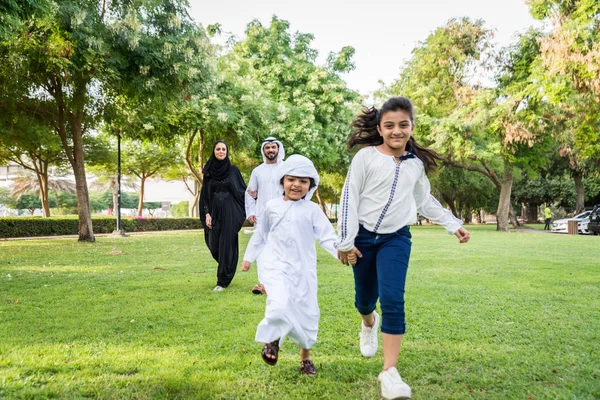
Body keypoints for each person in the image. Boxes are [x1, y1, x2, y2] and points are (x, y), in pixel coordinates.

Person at [336, 97, 471, 400]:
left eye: (403, 125)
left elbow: (424, 201)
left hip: (397, 239)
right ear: (380, 129)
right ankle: (368, 322)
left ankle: (390, 372)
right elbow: (349, 199)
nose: (397, 131)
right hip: (363, 240)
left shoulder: (416, 165)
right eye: (390, 125)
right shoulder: (365, 158)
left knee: (394, 299)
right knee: (365, 300)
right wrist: (345, 243)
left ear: (411, 127)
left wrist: (452, 223)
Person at [241, 155, 338, 376]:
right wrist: (249, 257)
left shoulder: (312, 210)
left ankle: (306, 358)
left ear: (310, 186)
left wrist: (341, 253)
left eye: (303, 181)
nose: (296, 185)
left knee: (307, 313)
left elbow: (327, 237)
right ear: (282, 181)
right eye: (291, 179)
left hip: (303, 270)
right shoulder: (271, 206)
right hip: (276, 267)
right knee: (279, 302)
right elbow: (260, 235)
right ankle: (272, 340)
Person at [199, 141, 247, 292]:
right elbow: (206, 195)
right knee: (214, 246)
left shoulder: (233, 170)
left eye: (224, 149)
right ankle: (228, 264)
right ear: (213, 151)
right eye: (218, 149)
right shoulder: (209, 172)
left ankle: (222, 281)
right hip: (214, 212)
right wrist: (207, 213)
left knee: (227, 245)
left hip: (230, 212)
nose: (221, 151)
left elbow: (241, 192)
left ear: (227, 151)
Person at [241, 137, 286, 295]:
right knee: (262, 250)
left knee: (281, 249)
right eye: (267, 148)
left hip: (283, 215)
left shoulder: (286, 168)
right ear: (263, 151)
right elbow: (250, 193)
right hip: (262, 216)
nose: (271, 150)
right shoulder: (257, 171)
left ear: (278, 149)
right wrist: (251, 212)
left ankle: (281, 281)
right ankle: (263, 284)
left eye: (273, 147)